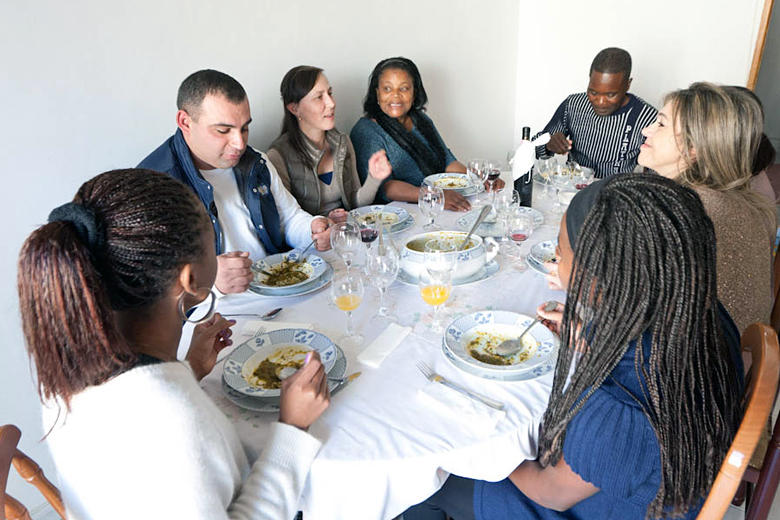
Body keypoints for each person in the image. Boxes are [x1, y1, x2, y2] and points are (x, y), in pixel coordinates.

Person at [404, 173, 744, 519]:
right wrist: (593, 340)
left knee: (423, 485)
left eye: (560, 251)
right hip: (657, 483)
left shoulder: (623, 409)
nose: (555, 258)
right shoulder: (700, 313)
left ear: (597, 276)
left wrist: (487, 447)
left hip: (584, 510)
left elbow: (550, 493)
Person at [18, 169, 330, 519]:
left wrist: (188, 370)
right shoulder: (172, 417)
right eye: (213, 244)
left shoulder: (67, 366)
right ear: (190, 279)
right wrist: (292, 429)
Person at [138, 69, 331, 295]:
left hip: (275, 289)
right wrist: (210, 280)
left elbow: (288, 218)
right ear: (185, 122)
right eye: (223, 130)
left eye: (245, 128)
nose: (239, 143)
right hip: (213, 309)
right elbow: (149, 288)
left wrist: (312, 229)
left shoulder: (256, 162)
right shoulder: (152, 186)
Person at [638, 82, 776, 332]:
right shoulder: (741, 200)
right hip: (734, 349)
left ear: (694, 149)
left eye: (661, 124)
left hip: (695, 352)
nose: (646, 130)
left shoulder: (686, 210)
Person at [350, 57, 489, 211]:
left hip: (436, 203)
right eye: (387, 89)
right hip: (398, 212)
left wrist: (480, 180)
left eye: (404, 88)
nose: (395, 96)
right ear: (377, 93)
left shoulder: (421, 119)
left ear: (414, 92)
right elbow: (385, 188)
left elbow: (448, 161)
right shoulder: (366, 131)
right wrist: (433, 195)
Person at [267, 65, 392, 220]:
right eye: (319, 97)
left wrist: (374, 178)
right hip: (314, 234)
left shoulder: (343, 142)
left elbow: (355, 204)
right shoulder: (277, 156)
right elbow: (287, 220)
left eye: (330, 93)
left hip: (346, 230)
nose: (331, 103)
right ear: (294, 108)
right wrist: (325, 221)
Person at [534, 47, 657, 178]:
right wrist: (548, 145)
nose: (600, 102)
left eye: (610, 95)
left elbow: (656, 173)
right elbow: (533, 147)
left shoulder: (648, 118)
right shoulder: (573, 105)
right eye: (593, 92)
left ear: (628, 84)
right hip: (573, 186)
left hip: (617, 188)